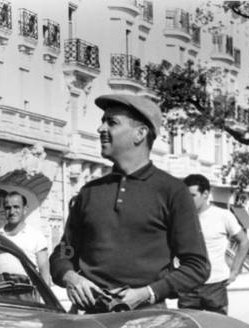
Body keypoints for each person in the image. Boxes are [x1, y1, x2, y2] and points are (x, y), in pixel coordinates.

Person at [50, 94, 209, 313]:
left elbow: (197, 267)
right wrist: (70, 277)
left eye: (111, 122)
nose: (100, 129)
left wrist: (148, 293)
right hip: (90, 322)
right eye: (102, 121)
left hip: (147, 324)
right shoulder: (89, 192)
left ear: (140, 134)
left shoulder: (172, 191)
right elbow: (64, 252)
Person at [179, 174, 249, 314]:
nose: (187, 200)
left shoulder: (222, 216)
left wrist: (235, 271)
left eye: (192, 195)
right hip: (188, 285)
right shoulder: (179, 217)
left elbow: (244, 241)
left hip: (215, 285)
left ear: (205, 194)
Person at [0, 191, 51, 286]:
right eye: (8, 208)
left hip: (26, 291)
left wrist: (43, 299)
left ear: (25, 209)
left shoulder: (37, 237)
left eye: (16, 207)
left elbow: (44, 272)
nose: (12, 212)